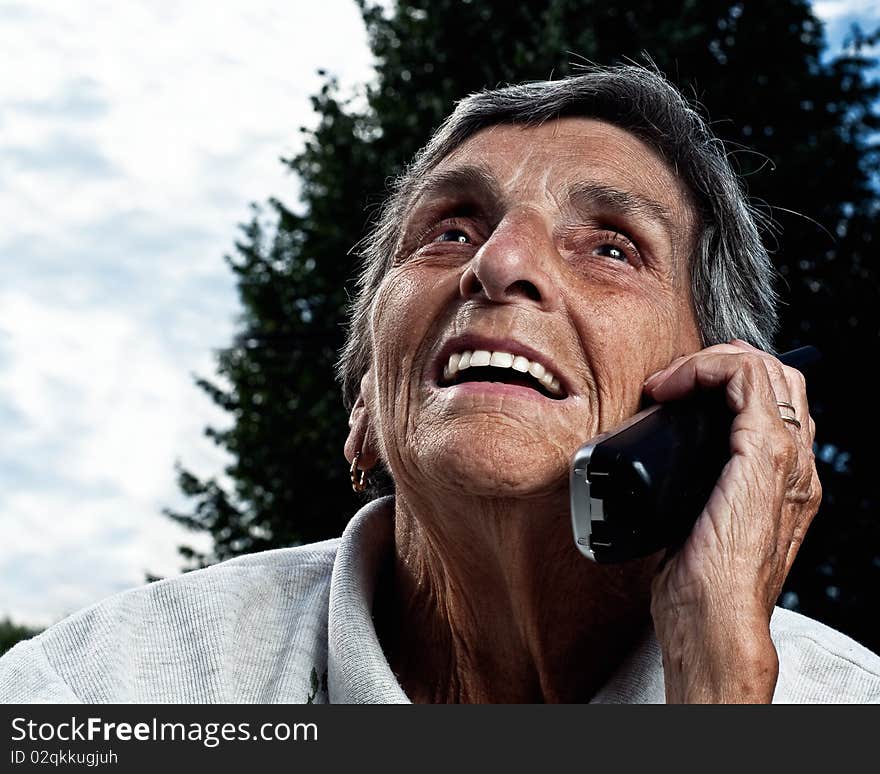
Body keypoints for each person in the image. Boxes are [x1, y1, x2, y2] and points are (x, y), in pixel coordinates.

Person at [2, 64, 879, 704]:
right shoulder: (97, 693)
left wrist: (719, 696)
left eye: (611, 246)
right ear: (367, 407)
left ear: (720, 402)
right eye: (451, 230)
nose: (499, 265)